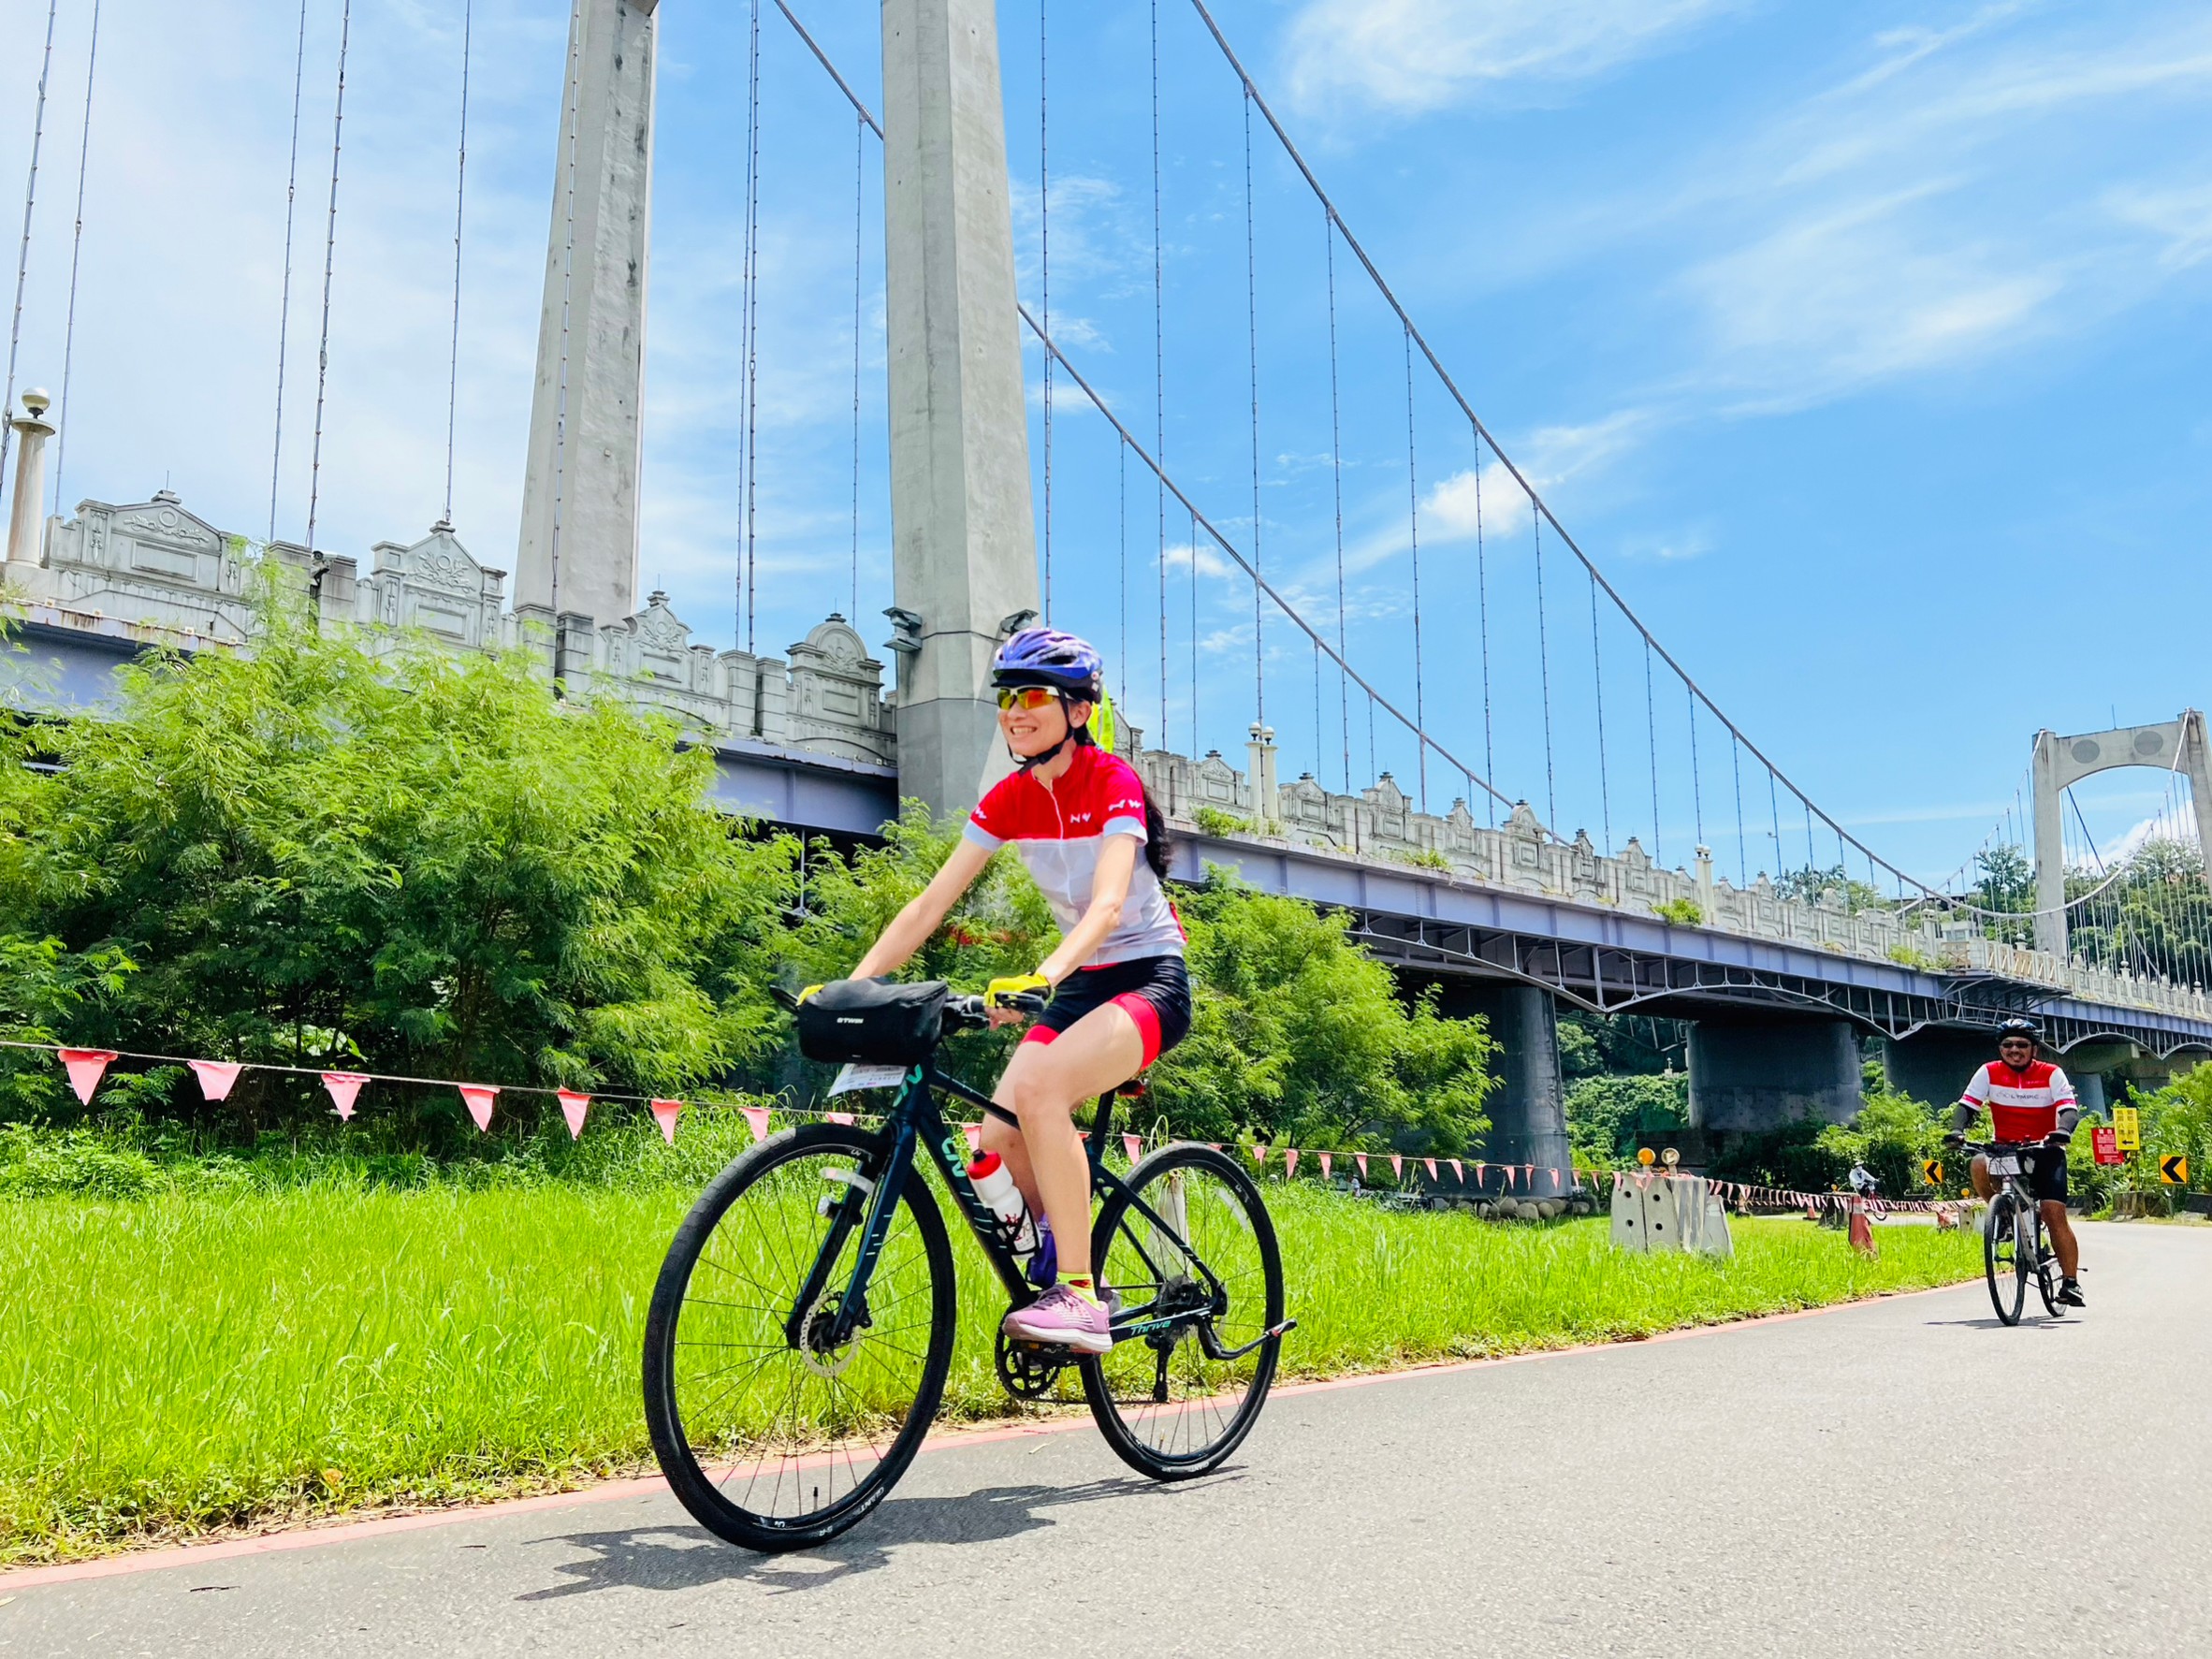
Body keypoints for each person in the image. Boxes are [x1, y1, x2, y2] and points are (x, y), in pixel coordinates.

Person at [838, 627, 1189, 1354]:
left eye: (1033, 696)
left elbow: (1108, 906)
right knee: (992, 1140)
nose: (1015, 711)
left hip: (1148, 977)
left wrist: (1042, 974)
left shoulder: (1112, 784)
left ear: (1079, 710)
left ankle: (1083, 1297)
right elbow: (928, 906)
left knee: (1040, 1096)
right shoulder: (1008, 799)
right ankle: (1057, 1246)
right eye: (1006, 698)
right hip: (1077, 980)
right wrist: (854, 985)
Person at [1945, 1016, 2084, 1307]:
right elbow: (1967, 1107)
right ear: (2000, 1049)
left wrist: (2062, 1131)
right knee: (1979, 1164)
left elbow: (2069, 1110)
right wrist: (1957, 1130)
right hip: (2006, 1149)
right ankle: (2004, 1215)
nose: (2014, 1050)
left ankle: (2070, 1283)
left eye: (2022, 1044)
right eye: (2007, 1045)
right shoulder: (1989, 1072)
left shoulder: (2051, 1073)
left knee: (2052, 1212)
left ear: (2034, 1048)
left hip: (2046, 1150)